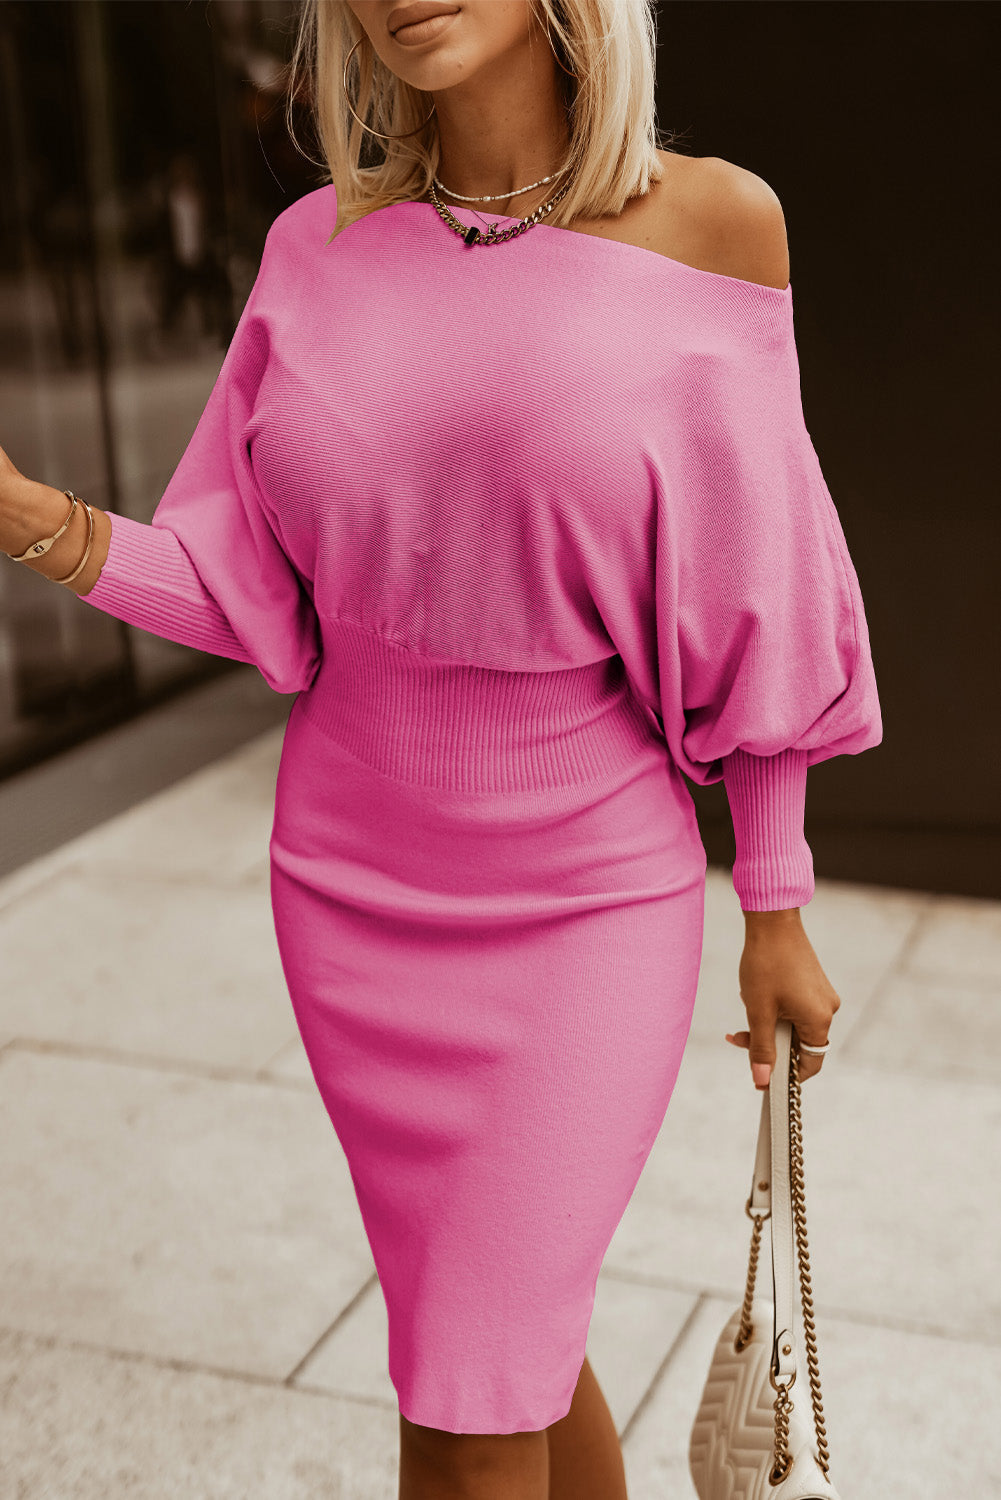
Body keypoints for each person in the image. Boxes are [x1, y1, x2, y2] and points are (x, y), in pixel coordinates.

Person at [0, 1, 883, 1495]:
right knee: (498, 1347)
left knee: (465, 1404)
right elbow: (249, 591)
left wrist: (775, 901)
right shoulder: (314, 246)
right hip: (347, 893)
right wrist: (30, 516)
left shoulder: (713, 224)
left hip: (583, 903)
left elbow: (762, 585)